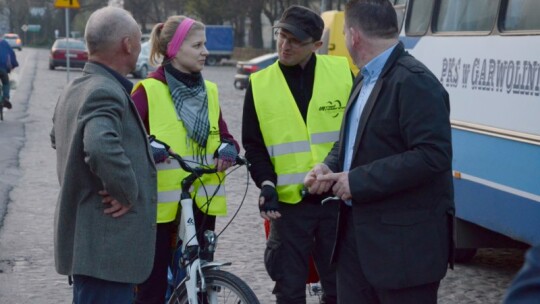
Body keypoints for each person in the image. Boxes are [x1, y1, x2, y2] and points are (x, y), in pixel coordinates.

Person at [303, 0, 455, 303]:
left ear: (354, 35)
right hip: (355, 246)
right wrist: (327, 167)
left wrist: (357, 181)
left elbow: (432, 155)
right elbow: (351, 142)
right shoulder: (364, 76)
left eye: (344, 31)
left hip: (403, 256)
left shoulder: (415, 81)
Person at [242, 5, 353, 303]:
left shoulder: (342, 73)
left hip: (336, 203)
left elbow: (355, 134)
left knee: (340, 288)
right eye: (282, 36)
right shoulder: (260, 84)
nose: (284, 45)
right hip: (289, 207)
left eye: (295, 40)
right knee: (289, 290)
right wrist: (266, 183)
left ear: (317, 45)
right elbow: (253, 145)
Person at [50, 7, 157, 304]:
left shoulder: (75, 88)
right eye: (138, 40)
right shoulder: (104, 91)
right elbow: (98, 144)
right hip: (105, 251)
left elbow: (58, 138)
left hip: (93, 249)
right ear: (127, 44)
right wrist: (126, 190)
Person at [131, 15, 240, 304]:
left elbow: (225, 136)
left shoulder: (210, 91)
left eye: (205, 44)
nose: (206, 51)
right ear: (175, 49)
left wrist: (228, 149)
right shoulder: (148, 91)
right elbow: (125, 140)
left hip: (203, 199)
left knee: (200, 280)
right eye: (198, 45)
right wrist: (147, 148)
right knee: (152, 287)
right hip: (161, 207)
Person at [0, 36, 18, 109]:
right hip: (3, 69)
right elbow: (11, 54)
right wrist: (13, 65)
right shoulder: (5, 44)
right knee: (6, 83)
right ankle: (6, 98)